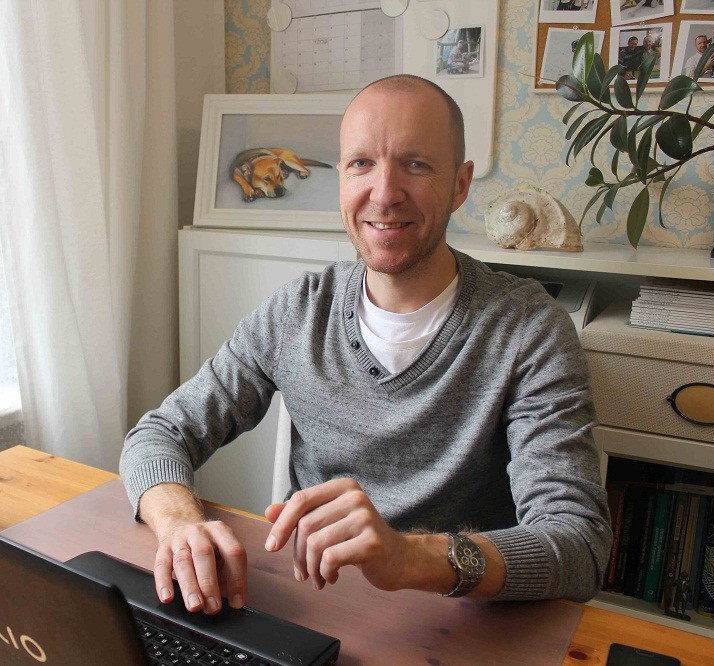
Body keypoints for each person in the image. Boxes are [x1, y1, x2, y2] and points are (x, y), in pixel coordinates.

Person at [120, 75, 612, 617]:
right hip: (318, 605)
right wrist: (179, 524)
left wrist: (409, 558)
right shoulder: (297, 312)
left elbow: (578, 545)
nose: (384, 193)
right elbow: (160, 434)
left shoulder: (529, 329)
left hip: (464, 623)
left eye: (416, 165)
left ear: (459, 185)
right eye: (361, 164)